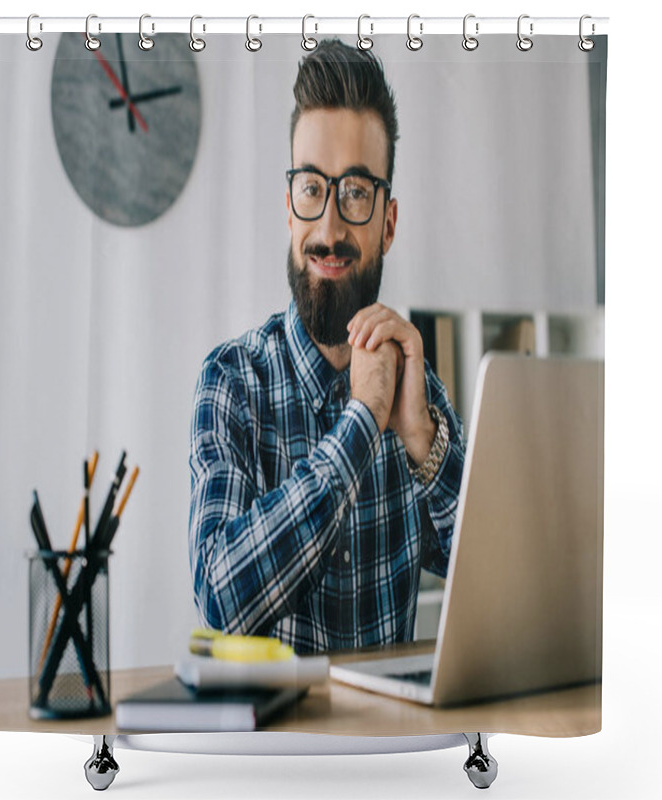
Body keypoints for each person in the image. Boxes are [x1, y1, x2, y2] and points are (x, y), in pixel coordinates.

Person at [188, 40, 465, 654]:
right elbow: (220, 596)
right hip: (272, 750)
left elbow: (493, 576)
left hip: (397, 750)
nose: (331, 228)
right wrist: (362, 421)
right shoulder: (231, 382)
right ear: (289, 208)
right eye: (312, 188)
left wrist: (424, 444)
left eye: (357, 192)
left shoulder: (418, 393)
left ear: (388, 223)